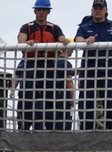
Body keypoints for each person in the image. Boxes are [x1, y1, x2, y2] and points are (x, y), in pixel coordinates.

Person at [17, 0, 72, 130]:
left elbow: (61, 38)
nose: (41, 12)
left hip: (49, 66)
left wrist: (64, 40)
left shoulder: (54, 28)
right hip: (31, 66)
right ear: (35, 11)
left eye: (44, 10)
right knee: (26, 98)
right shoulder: (27, 27)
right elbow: (21, 39)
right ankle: (23, 128)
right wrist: (27, 42)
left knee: (52, 98)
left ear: (48, 11)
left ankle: (52, 128)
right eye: (39, 10)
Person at [76, 0, 112, 130]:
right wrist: (85, 40)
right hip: (89, 70)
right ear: (92, 10)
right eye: (95, 8)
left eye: (100, 8)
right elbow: (78, 39)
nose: (98, 10)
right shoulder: (85, 27)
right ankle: (87, 133)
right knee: (86, 102)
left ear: (106, 10)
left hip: (109, 70)